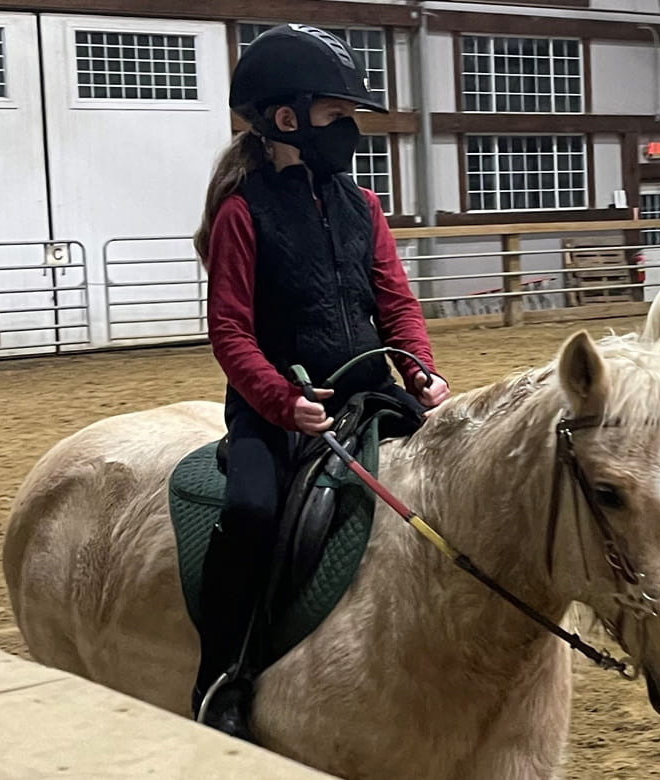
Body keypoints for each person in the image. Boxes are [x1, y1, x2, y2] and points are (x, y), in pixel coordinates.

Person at [190, 24, 451, 740]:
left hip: (374, 392)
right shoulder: (242, 213)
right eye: (338, 116)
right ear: (288, 119)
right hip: (277, 409)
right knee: (251, 511)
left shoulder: (363, 206)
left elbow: (395, 302)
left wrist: (419, 368)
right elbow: (230, 331)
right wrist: (282, 401)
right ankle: (224, 674)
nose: (350, 132)